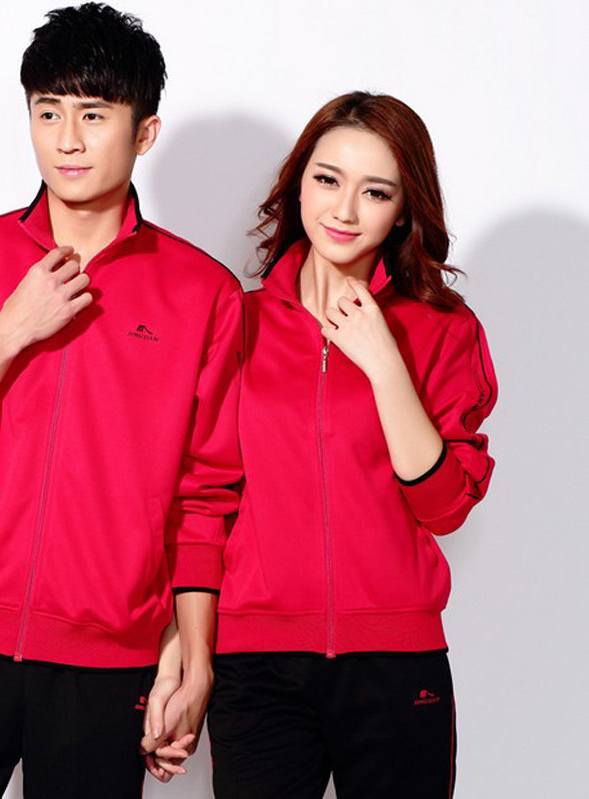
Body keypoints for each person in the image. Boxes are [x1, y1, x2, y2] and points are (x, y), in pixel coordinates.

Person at [0, 4, 242, 797]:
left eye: (93, 115)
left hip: (107, 663)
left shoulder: (202, 293)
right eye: (48, 112)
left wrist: (194, 657)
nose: (66, 139)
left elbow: (205, 495)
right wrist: (7, 332)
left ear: (144, 132)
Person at [207, 91, 498, 798]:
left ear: (403, 209)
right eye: (328, 179)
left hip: (396, 660)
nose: (344, 210)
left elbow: (445, 507)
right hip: (256, 662)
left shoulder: (444, 330)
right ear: (298, 183)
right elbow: (202, 497)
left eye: (375, 192)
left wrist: (384, 361)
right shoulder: (236, 324)